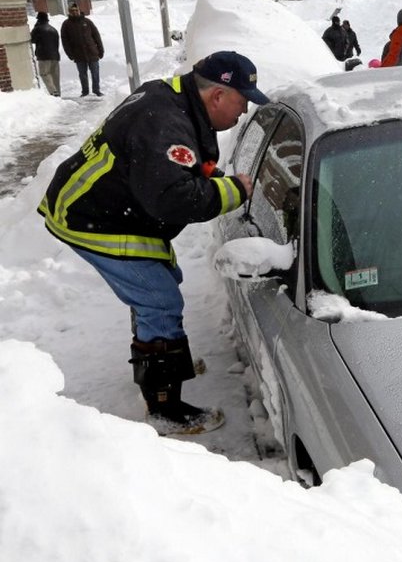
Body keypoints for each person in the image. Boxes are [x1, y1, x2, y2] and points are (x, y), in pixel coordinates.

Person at [37, 51, 268, 435]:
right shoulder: (166, 121)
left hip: (108, 207)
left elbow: (183, 164)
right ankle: (164, 404)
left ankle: (162, 357)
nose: (242, 112)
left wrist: (215, 178)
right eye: (242, 102)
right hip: (90, 217)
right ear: (217, 96)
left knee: (159, 280)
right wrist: (233, 192)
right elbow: (173, 197)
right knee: (158, 299)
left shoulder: (176, 100)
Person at [60, 2, 104, 97]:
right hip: (78, 54)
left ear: (79, 10)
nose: (75, 12)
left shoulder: (87, 22)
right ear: (69, 12)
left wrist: (101, 50)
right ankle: (85, 91)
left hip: (92, 52)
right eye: (72, 11)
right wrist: (70, 54)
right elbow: (65, 41)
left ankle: (96, 90)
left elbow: (96, 36)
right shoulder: (66, 24)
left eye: (76, 10)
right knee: (82, 74)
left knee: (95, 73)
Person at [31, 11, 60, 96]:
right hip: (55, 56)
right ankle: (58, 92)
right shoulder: (53, 29)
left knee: (44, 73)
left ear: (38, 19)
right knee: (55, 76)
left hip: (43, 56)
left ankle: (53, 91)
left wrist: (35, 27)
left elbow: (32, 40)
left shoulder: (38, 29)